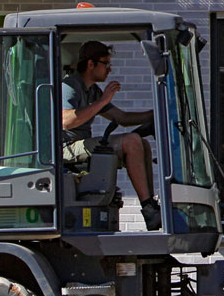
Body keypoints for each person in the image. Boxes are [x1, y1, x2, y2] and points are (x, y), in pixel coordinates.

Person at [61, 40, 161, 230]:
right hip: (67, 147)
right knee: (131, 141)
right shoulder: (70, 86)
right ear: (91, 64)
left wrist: (155, 113)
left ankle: (151, 205)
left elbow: (122, 117)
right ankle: (148, 208)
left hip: (81, 145)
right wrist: (104, 99)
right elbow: (66, 121)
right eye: (106, 64)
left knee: (142, 143)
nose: (109, 69)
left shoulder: (92, 91)